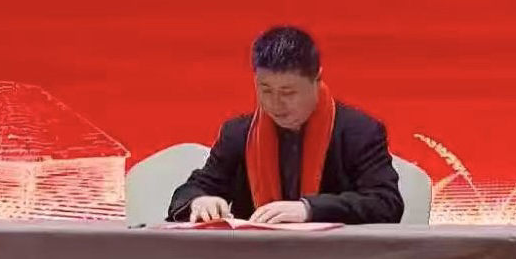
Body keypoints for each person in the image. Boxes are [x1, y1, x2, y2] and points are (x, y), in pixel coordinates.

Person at [168, 26, 404, 225]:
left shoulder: (359, 132)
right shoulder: (238, 134)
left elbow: (386, 203)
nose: (275, 104)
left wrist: (309, 209)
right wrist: (199, 202)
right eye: (265, 90)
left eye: (288, 92)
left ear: (317, 80)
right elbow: (191, 191)